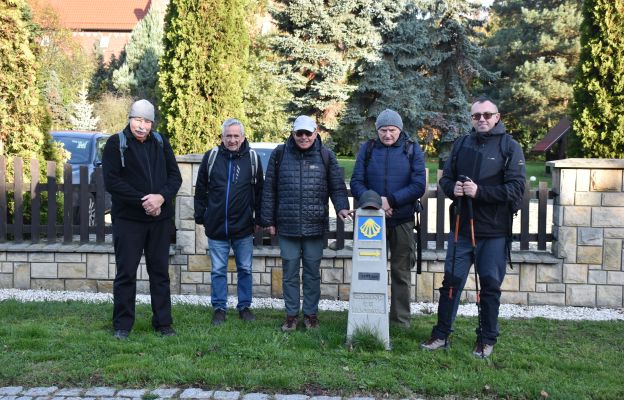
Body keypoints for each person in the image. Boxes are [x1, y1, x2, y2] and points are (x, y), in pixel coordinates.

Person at [421, 95, 525, 358]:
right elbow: (446, 180)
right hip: (461, 229)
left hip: (494, 232)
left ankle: (487, 338)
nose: (482, 120)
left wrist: (480, 192)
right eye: (477, 116)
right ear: (472, 118)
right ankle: (441, 334)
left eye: (487, 115)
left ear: (497, 117)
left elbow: (516, 189)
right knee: (451, 284)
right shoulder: (461, 144)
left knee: (489, 287)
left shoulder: (510, 147)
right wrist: (452, 189)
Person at [261, 115, 351, 332]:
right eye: (299, 133)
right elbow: (269, 189)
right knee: (290, 273)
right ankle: (291, 315)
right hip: (287, 226)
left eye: (307, 133)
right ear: (293, 133)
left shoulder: (326, 155)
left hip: (314, 226)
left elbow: (337, 186)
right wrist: (268, 220)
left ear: (315, 132)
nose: (303, 137)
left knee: (312, 274)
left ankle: (311, 315)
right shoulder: (280, 154)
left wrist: (341, 207)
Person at [103, 99, 182, 340]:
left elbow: (174, 177)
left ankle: (163, 324)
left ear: (152, 124)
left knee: (160, 274)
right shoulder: (116, 143)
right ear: (130, 119)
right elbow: (113, 181)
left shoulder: (161, 142)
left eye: (147, 121)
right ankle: (123, 326)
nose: (142, 126)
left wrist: (160, 198)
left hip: (160, 220)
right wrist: (145, 201)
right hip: (128, 221)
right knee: (126, 273)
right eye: (138, 120)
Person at [350, 109, 427, 328]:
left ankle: (400, 321)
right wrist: (376, 203)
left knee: (401, 272)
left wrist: (391, 201)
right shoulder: (368, 149)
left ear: (399, 130)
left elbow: (418, 185)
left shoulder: (412, 149)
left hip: (401, 220)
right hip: (371, 221)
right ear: (377, 131)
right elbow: (356, 182)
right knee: (369, 270)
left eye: (392, 130)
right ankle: (369, 316)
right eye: (383, 130)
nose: (387, 135)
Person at [194, 118, 264, 326]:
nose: (232, 140)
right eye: (228, 136)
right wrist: (201, 216)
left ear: (243, 137)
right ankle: (219, 308)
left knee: (245, 268)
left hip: (243, 227)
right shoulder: (211, 157)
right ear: (222, 137)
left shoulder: (252, 159)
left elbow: (260, 191)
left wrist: (259, 218)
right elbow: (200, 190)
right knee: (218, 270)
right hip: (216, 226)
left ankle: (244, 307)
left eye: (236, 136)